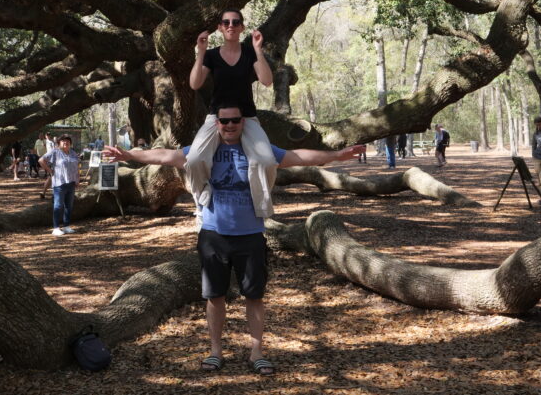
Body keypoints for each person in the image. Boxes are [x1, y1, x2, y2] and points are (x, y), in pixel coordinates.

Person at [104, 104, 365, 376]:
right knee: (215, 296)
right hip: (213, 235)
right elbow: (165, 156)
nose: (229, 126)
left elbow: (297, 156)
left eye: (234, 121)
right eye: (224, 121)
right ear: (216, 124)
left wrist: (335, 155)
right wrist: (129, 153)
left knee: (254, 296)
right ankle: (215, 351)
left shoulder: (259, 151)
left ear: (243, 122)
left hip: (250, 235)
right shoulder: (204, 151)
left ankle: (257, 352)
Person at [186, 9, 275, 221]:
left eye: (236, 22)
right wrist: (200, 51)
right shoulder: (211, 55)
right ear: (219, 27)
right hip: (216, 118)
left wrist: (258, 49)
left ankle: (260, 208)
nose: (230, 25)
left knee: (267, 162)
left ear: (242, 27)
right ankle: (202, 201)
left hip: (247, 117)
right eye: (226, 22)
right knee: (195, 159)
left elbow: (267, 80)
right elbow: (194, 83)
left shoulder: (249, 52)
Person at [39, 135, 80, 236]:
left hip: (71, 183)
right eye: (63, 141)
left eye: (67, 141)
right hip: (59, 183)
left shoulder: (73, 153)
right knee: (58, 205)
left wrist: (77, 179)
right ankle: (56, 228)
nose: (65, 143)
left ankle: (66, 226)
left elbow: (76, 167)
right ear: (59, 143)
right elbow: (41, 160)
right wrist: (50, 170)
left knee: (69, 205)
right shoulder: (55, 152)